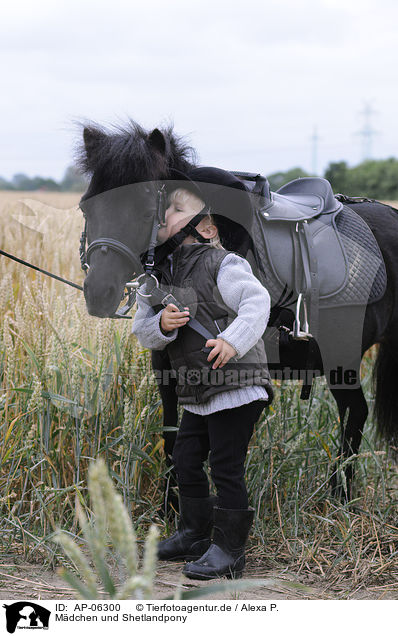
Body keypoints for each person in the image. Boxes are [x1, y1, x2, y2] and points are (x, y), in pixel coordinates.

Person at [131, 170, 273, 580]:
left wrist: (232, 340)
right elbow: (143, 332)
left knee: (226, 466)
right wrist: (163, 325)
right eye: (163, 211)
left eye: (176, 209)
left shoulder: (223, 263)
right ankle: (194, 532)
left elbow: (255, 301)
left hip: (236, 387)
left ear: (207, 226)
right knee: (185, 457)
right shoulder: (155, 279)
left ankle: (230, 550)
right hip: (197, 392)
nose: (165, 217)